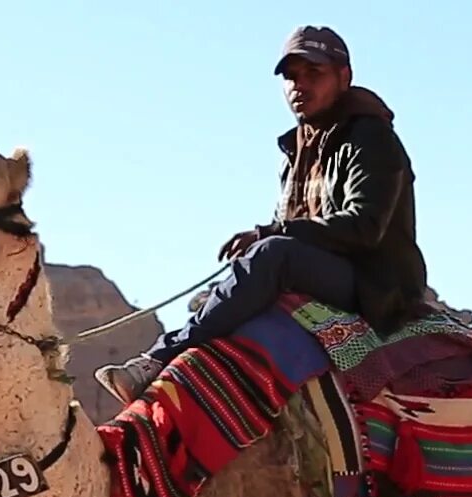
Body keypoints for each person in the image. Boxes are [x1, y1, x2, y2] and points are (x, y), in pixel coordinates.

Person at [95, 25, 429, 404]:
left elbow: (365, 227)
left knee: (273, 255)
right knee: (251, 274)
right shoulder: (299, 151)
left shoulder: (370, 138)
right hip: (327, 273)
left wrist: (271, 234)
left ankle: (158, 359)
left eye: (314, 74)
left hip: (377, 283)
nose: (299, 86)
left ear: (344, 77)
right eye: (291, 77)